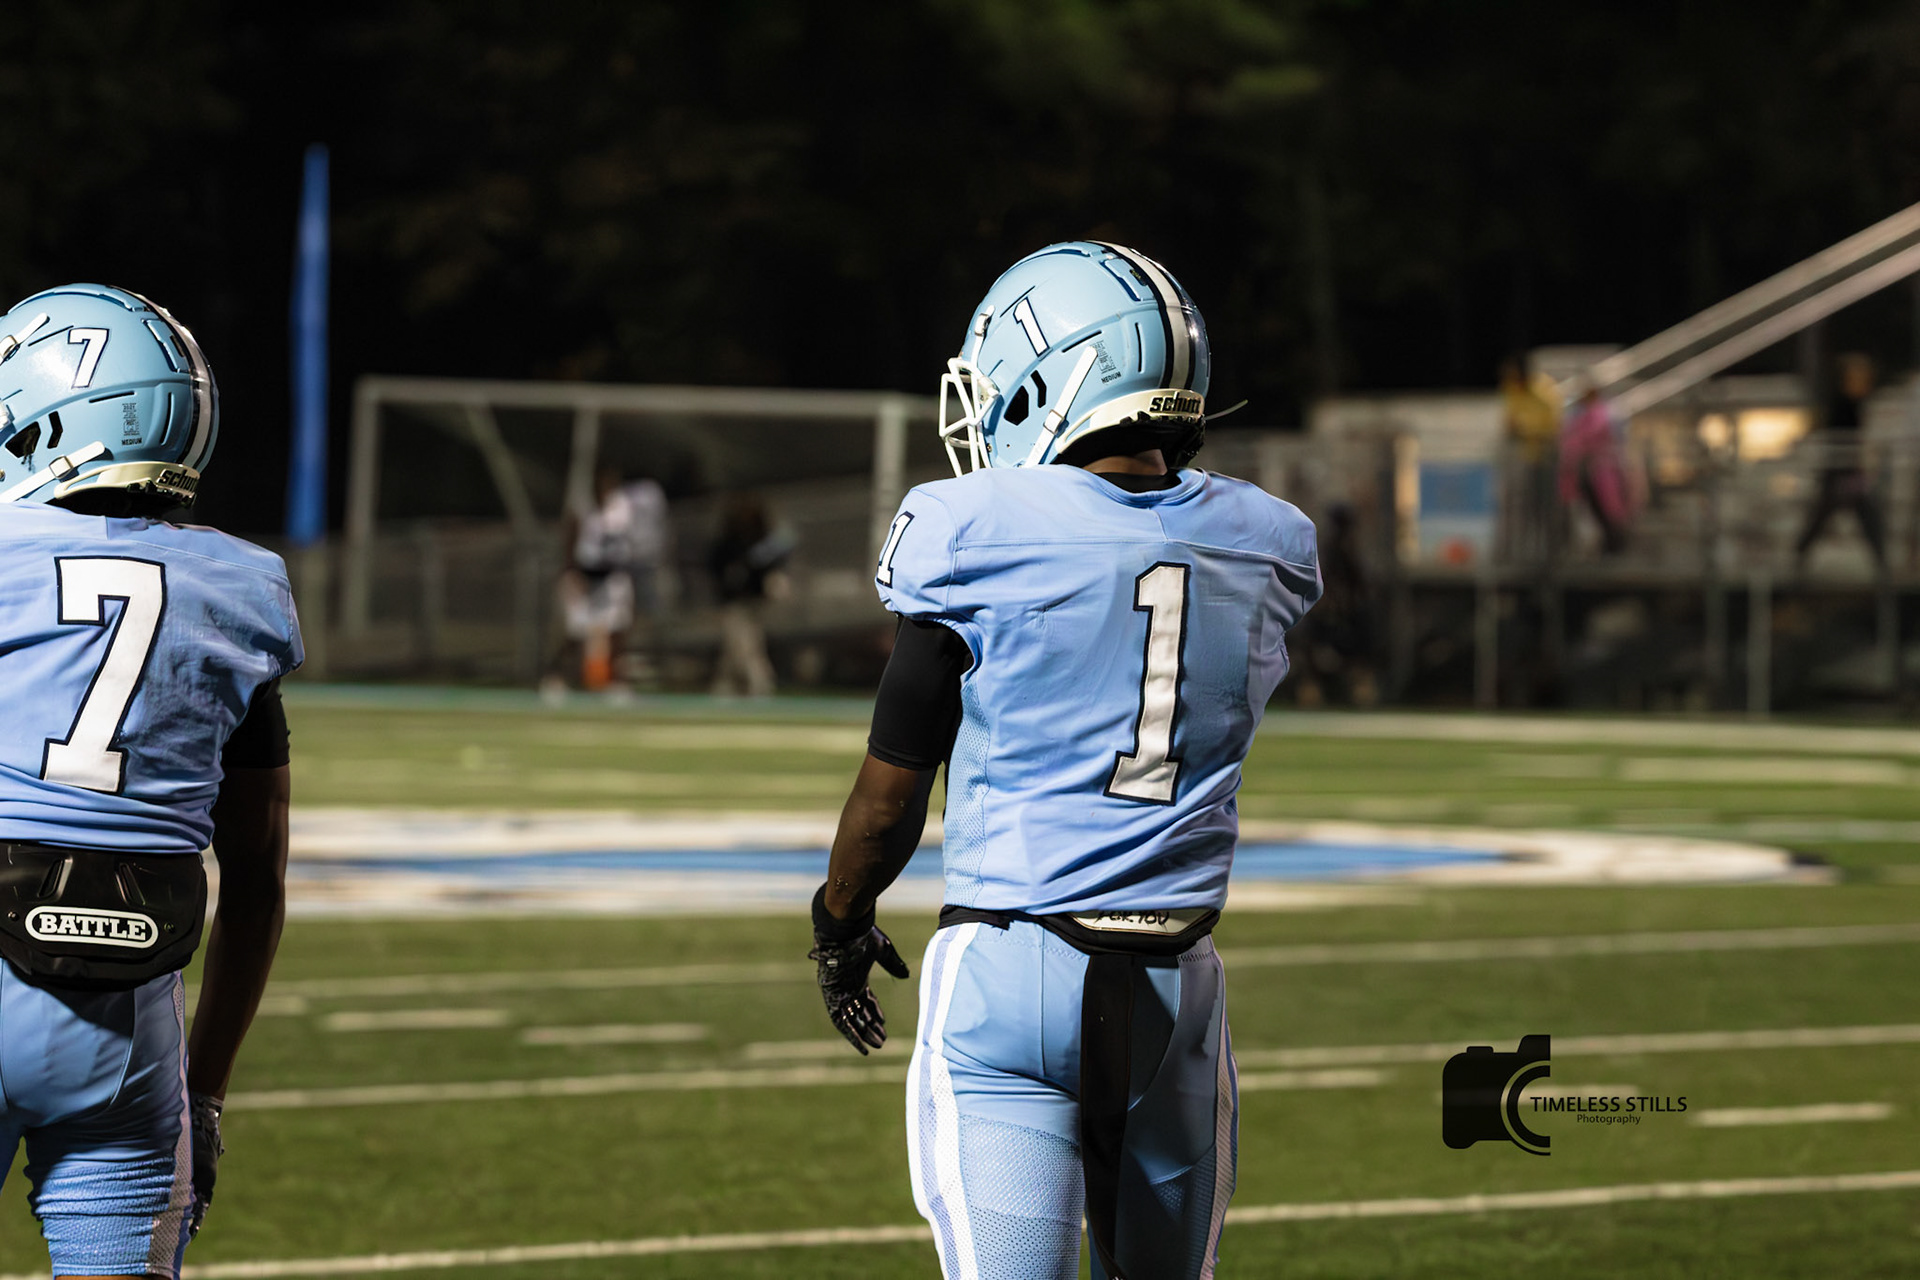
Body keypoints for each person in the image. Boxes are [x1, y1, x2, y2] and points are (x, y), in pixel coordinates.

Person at [807, 242, 1320, 1279]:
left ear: (1051, 379)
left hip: (1010, 972)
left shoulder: (974, 531)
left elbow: (889, 794)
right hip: (1178, 985)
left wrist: (840, 921)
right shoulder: (1268, 541)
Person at [0, 285, 301, 1277]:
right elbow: (256, 875)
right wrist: (203, 1095)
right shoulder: (241, 587)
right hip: (132, 1033)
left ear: (40, 423)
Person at [549, 465, 669, 693]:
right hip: (585, 576)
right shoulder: (582, 510)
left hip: (613, 576)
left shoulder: (622, 509)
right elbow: (570, 543)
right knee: (577, 632)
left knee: (618, 629)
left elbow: (635, 542)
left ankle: (617, 681)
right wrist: (570, 573)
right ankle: (556, 676)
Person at [1795, 351, 1886, 572]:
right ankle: (1797, 557)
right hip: (1840, 473)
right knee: (1828, 516)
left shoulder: (1855, 404)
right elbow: (1838, 438)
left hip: (1848, 473)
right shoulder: (1841, 405)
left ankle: (1882, 563)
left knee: (1863, 517)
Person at [707, 493, 794, 697]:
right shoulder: (728, 543)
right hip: (733, 601)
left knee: (745, 644)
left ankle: (752, 684)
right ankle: (733, 685)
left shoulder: (763, 541)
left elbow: (774, 564)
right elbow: (717, 568)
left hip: (755, 600)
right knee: (739, 643)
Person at [1498, 353, 1562, 565]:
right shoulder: (1512, 388)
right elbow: (1510, 421)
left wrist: (1525, 429)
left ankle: (1548, 558)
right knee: (1519, 508)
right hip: (1522, 457)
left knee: (1543, 509)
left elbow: (1552, 429)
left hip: (1544, 458)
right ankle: (1518, 556)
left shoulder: (1545, 390)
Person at [1557, 380, 1632, 555]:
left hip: (1601, 469)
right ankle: (1609, 543)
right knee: (1599, 508)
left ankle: (1614, 543)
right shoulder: (1591, 414)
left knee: (1607, 508)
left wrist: (1573, 451)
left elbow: (1586, 437)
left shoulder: (1600, 413)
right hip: (1593, 468)